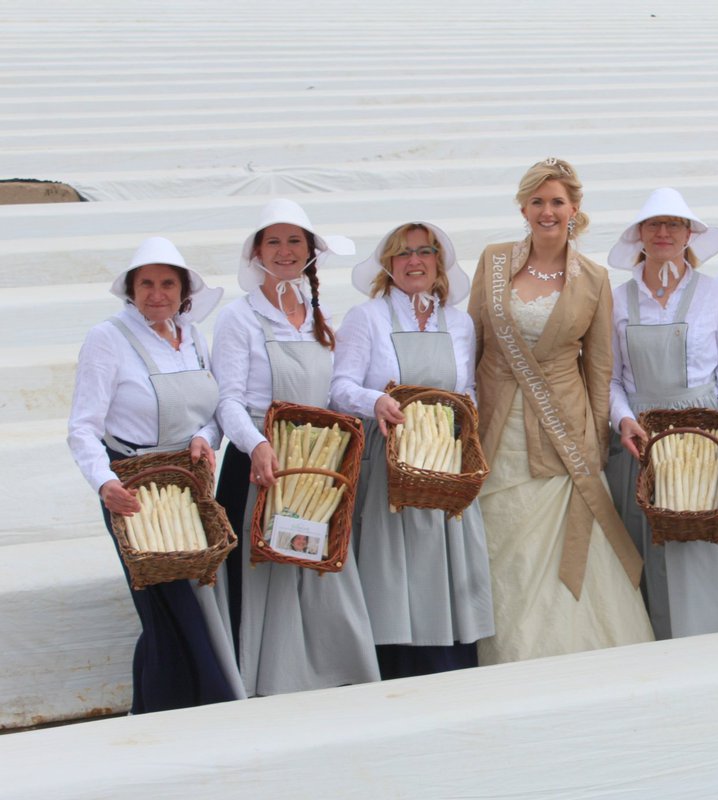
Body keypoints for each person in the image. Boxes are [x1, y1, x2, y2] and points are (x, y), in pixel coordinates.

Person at [467, 157, 654, 664]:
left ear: (574, 209)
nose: (547, 211)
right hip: (498, 426)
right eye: (537, 201)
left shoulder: (593, 278)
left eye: (556, 202)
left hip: (562, 429)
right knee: (505, 545)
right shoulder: (493, 261)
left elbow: (599, 367)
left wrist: (594, 440)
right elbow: (473, 341)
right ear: (523, 208)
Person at [67, 236, 245, 712]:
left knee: (194, 598)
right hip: (136, 490)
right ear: (131, 290)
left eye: (168, 283)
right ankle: (181, 706)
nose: (157, 293)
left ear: (184, 291)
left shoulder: (193, 338)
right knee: (166, 603)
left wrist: (205, 437)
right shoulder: (108, 338)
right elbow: (83, 427)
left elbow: (211, 411)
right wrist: (104, 482)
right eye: (146, 283)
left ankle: (163, 704)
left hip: (189, 487)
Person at [212, 198, 380, 695]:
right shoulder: (239, 318)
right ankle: (265, 681)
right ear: (257, 252)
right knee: (265, 572)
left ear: (310, 251)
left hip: (316, 467)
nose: (284, 250)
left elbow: (333, 394)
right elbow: (228, 401)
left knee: (318, 565)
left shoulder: (319, 318)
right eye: (273, 241)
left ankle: (331, 675)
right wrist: (257, 445)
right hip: (259, 465)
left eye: (294, 241)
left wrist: (372, 407)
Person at [330, 221, 494, 679]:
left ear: (440, 262)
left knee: (442, 565)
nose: (415, 261)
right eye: (403, 253)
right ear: (388, 265)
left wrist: (464, 428)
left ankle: (450, 661)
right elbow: (339, 387)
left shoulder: (459, 323)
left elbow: (468, 389)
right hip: (389, 463)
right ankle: (397, 666)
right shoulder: (367, 318)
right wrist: (375, 401)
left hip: (443, 460)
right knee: (393, 568)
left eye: (424, 252)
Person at [605, 187, 718, 639]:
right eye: (654, 224)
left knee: (701, 534)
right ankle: (656, 639)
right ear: (640, 235)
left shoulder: (715, 293)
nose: (664, 232)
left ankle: (710, 637)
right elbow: (608, 378)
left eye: (674, 224)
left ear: (689, 234)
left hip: (700, 435)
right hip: (641, 438)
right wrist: (622, 419)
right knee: (649, 540)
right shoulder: (617, 300)